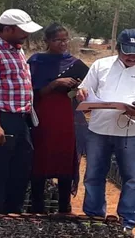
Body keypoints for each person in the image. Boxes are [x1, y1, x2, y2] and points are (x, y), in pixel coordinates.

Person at [76, 29, 135, 234]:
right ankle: (94, 217)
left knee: (132, 178)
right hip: (99, 130)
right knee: (93, 175)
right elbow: (84, 92)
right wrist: (82, 96)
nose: (132, 56)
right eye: (128, 51)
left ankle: (127, 222)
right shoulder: (101, 66)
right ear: (118, 48)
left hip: (132, 133)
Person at [0, 9, 42, 215]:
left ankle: (13, 213)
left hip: (21, 118)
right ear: (8, 29)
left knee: (20, 168)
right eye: (22, 31)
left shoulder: (18, 50)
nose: (26, 35)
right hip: (3, 118)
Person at [28, 23, 89, 214]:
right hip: (43, 117)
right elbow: (32, 93)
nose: (62, 44)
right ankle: (37, 207)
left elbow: (90, 87)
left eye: (65, 39)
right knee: (40, 158)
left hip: (67, 119)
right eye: (57, 40)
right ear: (46, 41)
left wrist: (79, 90)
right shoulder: (36, 61)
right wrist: (55, 83)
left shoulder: (75, 63)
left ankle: (64, 207)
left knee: (65, 157)